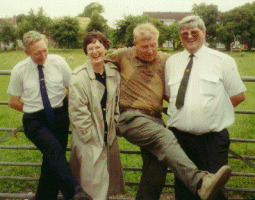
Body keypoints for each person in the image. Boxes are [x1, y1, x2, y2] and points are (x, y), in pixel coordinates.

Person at [105, 22, 233, 200]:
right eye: (144, 46)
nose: (150, 50)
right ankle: (200, 182)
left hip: (155, 119)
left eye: (153, 45)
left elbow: (182, 78)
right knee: (165, 137)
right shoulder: (121, 55)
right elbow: (97, 62)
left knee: (157, 167)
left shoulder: (166, 59)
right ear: (135, 44)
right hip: (130, 116)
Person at [165, 15, 246, 200]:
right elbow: (168, 95)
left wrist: (211, 113)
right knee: (184, 190)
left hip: (212, 141)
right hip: (180, 139)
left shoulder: (223, 60)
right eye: (184, 33)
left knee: (214, 192)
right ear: (180, 36)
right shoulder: (172, 62)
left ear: (203, 33)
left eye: (194, 32)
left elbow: (238, 95)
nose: (190, 36)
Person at [7, 31, 92, 200]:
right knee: (54, 150)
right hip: (35, 121)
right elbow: (13, 101)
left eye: (45, 50)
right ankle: (75, 191)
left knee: (52, 161)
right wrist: (34, 109)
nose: (43, 55)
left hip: (59, 117)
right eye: (37, 52)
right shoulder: (20, 70)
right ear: (27, 53)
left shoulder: (58, 62)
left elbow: (71, 88)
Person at [68, 31, 125, 200]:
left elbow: (115, 103)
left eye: (98, 47)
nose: (95, 51)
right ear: (85, 51)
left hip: (108, 133)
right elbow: (77, 111)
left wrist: (114, 123)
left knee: (103, 181)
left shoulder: (113, 73)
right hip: (89, 136)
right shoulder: (79, 77)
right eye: (90, 48)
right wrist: (91, 136)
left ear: (106, 49)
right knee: (91, 182)